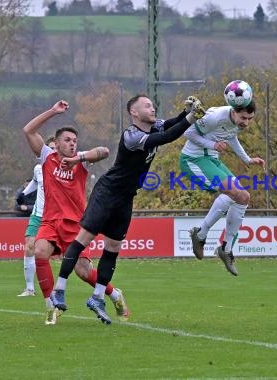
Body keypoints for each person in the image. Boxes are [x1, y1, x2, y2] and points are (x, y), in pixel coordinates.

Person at [50, 94, 205, 325]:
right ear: (134, 112)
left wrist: (186, 111)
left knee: (113, 248)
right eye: (147, 105)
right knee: (84, 239)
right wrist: (192, 118)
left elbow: (171, 124)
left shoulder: (153, 126)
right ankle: (59, 289)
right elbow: (167, 136)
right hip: (108, 192)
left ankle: (97, 297)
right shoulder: (132, 135)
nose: (152, 108)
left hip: (126, 197)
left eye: (153, 105)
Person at [23, 100, 125, 325]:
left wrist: (79, 157)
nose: (72, 144)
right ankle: (50, 305)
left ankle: (115, 294)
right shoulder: (47, 157)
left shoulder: (81, 160)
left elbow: (104, 152)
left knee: (83, 271)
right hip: (50, 221)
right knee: (39, 250)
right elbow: (28, 130)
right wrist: (53, 111)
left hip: (76, 224)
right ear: (56, 143)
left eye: (74, 141)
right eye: (67, 140)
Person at [184, 100, 265, 276]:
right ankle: (201, 235)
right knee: (236, 194)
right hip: (194, 160)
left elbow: (231, 137)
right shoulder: (215, 117)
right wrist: (213, 145)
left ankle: (225, 248)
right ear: (234, 111)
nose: (246, 123)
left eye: (250, 118)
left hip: (212, 160)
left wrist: (247, 159)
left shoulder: (234, 122)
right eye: (243, 117)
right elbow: (188, 132)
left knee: (243, 197)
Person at [17, 137, 55, 297]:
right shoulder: (39, 168)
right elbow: (34, 182)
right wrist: (23, 194)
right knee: (29, 246)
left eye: (55, 148)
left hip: (55, 217)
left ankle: (57, 289)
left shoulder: (65, 168)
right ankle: (30, 289)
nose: (53, 151)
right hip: (38, 214)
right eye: (50, 148)